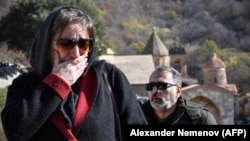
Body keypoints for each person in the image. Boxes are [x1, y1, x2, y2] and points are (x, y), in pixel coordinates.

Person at [1, 6, 147, 141]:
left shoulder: (109, 76)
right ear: (47, 44)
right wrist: (57, 83)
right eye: (66, 43)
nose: (76, 53)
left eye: (84, 44)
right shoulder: (25, 84)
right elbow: (16, 133)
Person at [141, 65, 217, 125]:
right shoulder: (137, 115)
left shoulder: (200, 119)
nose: (155, 91)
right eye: (150, 86)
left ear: (178, 91)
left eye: (162, 86)